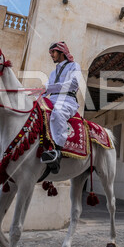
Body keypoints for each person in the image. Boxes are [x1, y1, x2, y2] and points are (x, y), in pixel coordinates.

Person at [41, 42, 81, 173]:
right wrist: (37, 92)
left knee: (57, 113)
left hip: (67, 100)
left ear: (61, 52)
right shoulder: (53, 72)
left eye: (53, 52)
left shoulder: (74, 66)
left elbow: (74, 83)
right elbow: (46, 88)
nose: (51, 55)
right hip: (51, 98)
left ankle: (57, 152)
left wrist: (49, 88)